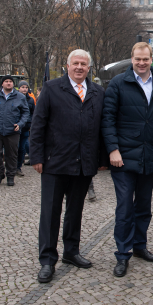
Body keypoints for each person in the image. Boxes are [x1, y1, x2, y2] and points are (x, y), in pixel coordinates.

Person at [30, 49, 106, 283]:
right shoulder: (52, 88)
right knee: (51, 213)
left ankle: (71, 252)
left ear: (89, 67)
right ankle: (47, 260)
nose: (79, 67)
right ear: (67, 65)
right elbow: (38, 125)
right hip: (55, 162)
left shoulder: (97, 92)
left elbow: (102, 128)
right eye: (75, 63)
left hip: (83, 163)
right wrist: (37, 157)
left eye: (84, 64)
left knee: (75, 211)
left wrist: (101, 159)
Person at [102, 42, 153, 277]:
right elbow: (108, 118)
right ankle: (123, 254)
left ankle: (140, 245)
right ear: (131, 59)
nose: (141, 63)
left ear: (152, 59)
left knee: (144, 206)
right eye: (137, 59)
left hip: (151, 154)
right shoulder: (118, 83)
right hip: (123, 157)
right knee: (124, 207)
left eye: (146, 59)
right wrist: (113, 149)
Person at [0, 76, 29, 187]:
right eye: (6, 81)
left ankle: (10, 176)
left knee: (12, 155)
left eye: (10, 82)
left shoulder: (20, 97)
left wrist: (20, 124)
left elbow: (25, 112)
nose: (8, 83)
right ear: (2, 84)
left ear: (13, 84)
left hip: (12, 130)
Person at [16, 81, 35, 177]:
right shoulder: (15, 98)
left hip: (26, 126)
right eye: (22, 87)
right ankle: (12, 166)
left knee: (22, 148)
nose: (24, 89)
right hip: (16, 126)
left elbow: (33, 112)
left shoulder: (30, 100)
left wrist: (31, 122)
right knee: (14, 147)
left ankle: (18, 167)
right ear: (18, 88)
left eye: (26, 87)